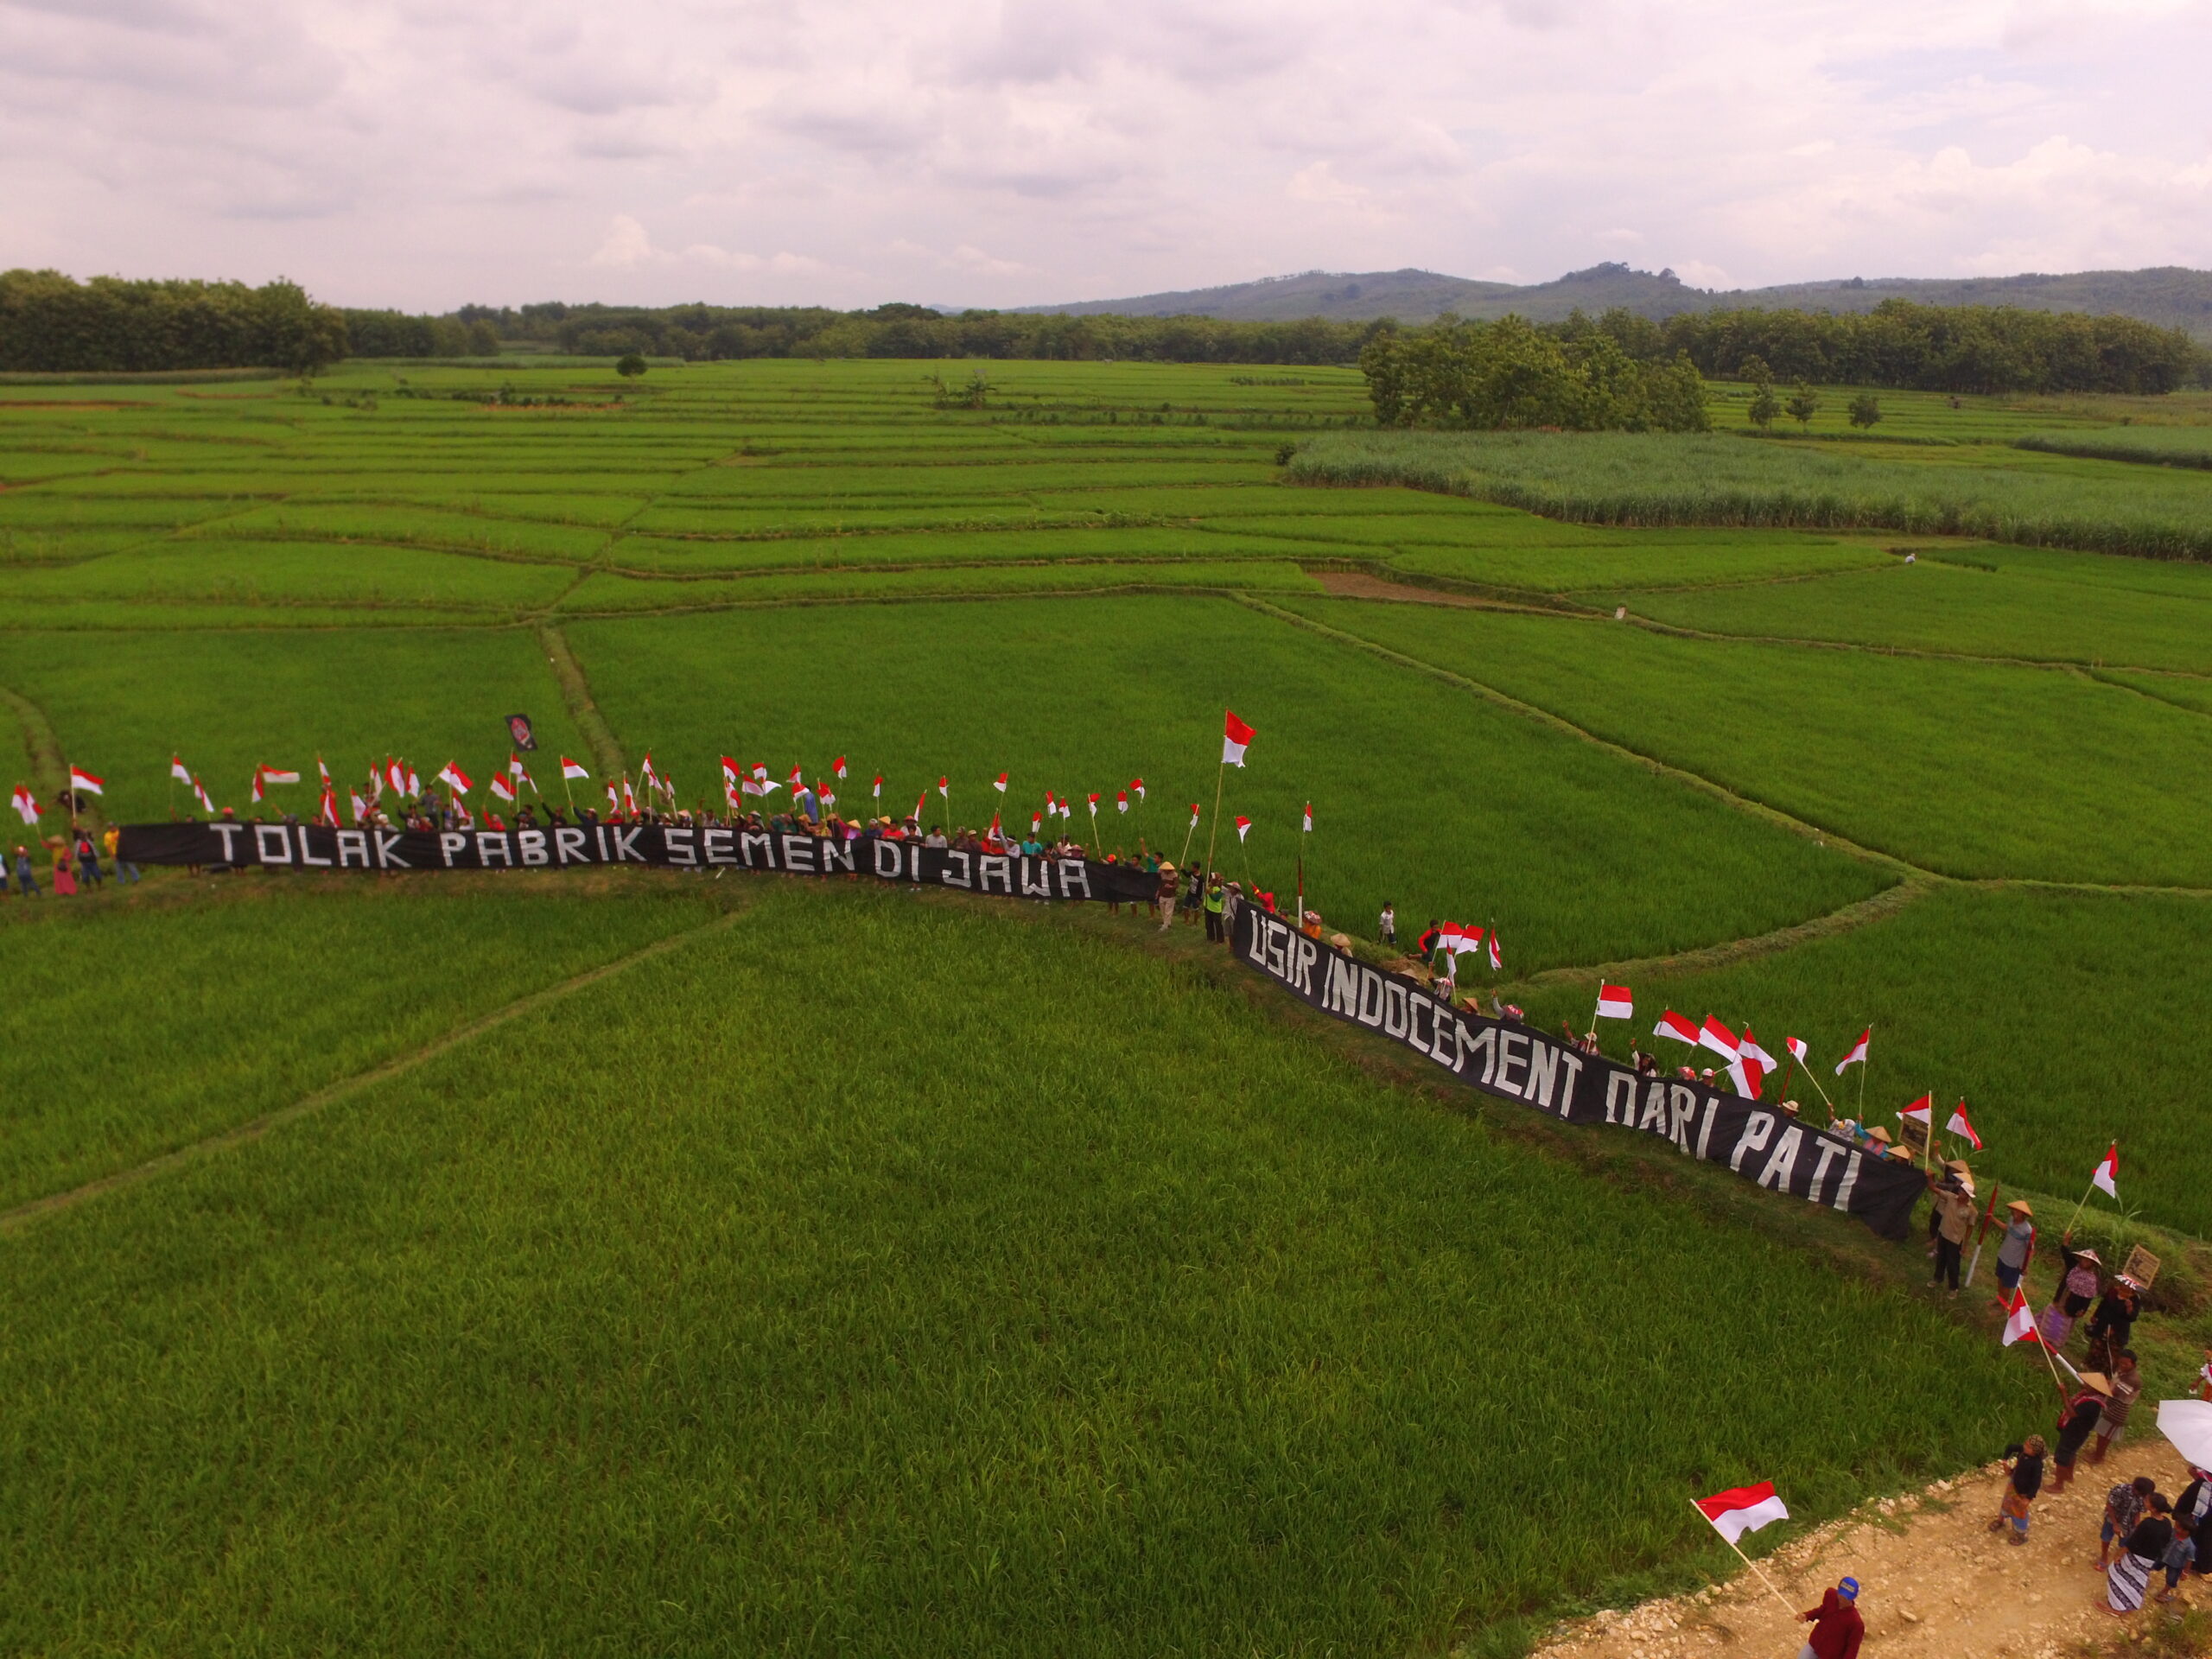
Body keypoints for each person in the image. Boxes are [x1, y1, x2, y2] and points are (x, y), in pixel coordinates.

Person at [2108, 1495, 2174, 1614]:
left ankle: (2116, 1607)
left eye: (2147, 1501)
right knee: (2137, 1581)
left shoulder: (2147, 1523)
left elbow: (2132, 1542)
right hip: (2150, 1559)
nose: (2144, 1501)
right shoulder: (2167, 1523)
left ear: (2153, 1508)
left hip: (2137, 1556)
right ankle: (2131, 1603)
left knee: (2115, 1572)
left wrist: (2119, 1554)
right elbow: (2165, 1542)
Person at [2049, 1375, 2111, 1494]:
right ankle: (2068, 1475)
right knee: (2071, 1452)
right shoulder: (2092, 1398)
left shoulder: (2091, 1404)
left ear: (2095, 1388)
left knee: (2062, 1455)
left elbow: (2072, 1413)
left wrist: (2063, 1394)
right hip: (2079, 1432)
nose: (2084, 1383)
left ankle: (2058, 1485)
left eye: (2088, 1383)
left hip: (2075, 1431)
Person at [2040, 1243, 2101, 1349]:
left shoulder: (2091, 1280)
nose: (2085, 1262)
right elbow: (2066, 1255)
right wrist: (2065, 1244)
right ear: (2080, 1258)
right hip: (2061, 1298)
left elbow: (2088, 1297)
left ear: (2092, 1264)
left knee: (2062, 1325)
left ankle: (2055, 1345)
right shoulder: (2073, 1266)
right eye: (2084, 1259)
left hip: (2072, 1305)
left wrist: (2083, 1309)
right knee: (2052, 1317)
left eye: (2089, 1261)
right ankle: (2044, 1339)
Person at [2090, 1351, 2143, 1464]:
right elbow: (2114, 1384)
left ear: (2133, 1364)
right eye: (2121, 1363)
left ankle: (2099, 1457)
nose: (2122, 1365)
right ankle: (2098, 1453)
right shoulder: (2121, 1372)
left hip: (2118, 1410)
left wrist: (2098, 1384)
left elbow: (2114, 1391)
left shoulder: (2133, 1380)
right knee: (2102, 1432)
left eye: (2125, 1364)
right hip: (2110, 1405)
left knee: (2106, 1435)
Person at [1992, 1436, 2045, 1543]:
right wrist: (2005, 1461)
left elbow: (2036, 1483)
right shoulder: (2023, 1452)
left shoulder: (2037, 1464)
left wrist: (2028, 1498)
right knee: (2006, 1503)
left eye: (2028, 1447)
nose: (2024, 1447)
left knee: (2019, 1512)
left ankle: (2021, 1535)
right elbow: (2011, 1447)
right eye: (2025, 1444)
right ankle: (2001, 1520)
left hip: (2022, 1492)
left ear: (2035, 1451)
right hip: (2013, 1485)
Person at [1796, 1577, 1863, 1659]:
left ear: (1853, 1598)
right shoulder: (1831, 1596)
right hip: (1814, 1645)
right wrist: (1807, 1616)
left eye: (1846, 1597)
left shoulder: (1856, 1623)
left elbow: (1852, 1649)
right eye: (1841, 1594)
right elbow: (1822, 1610)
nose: (1842, 1598)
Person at [2100, 1476, 2158, 1570]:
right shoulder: (2120, 1490)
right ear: (2135, 1489)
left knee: (2125, 1543)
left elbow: (2137, 1511)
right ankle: (2104, 1556)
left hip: (2129, 1523)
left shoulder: (2144, 1497)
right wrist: (2115, 1524)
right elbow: (2110, 1506)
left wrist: (2137, 1525)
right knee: (2106, 1538)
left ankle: (2119, 1559)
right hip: (2112, 1519)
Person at [1931, 1172, 1975, 1294]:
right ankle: (1937, 1278)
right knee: (1941, 1259)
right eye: (1961, 1190)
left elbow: (1970, 1228)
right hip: (1943, 1233)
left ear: (1968, 1195)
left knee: (1953, 1264)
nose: (1961, 1193)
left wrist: (1965, 1245)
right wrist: (1930, 1178)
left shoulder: (1972, 1211)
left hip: (1955, 1240)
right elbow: (1934, 1189)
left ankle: (1953, 1288)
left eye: (1964, 1192)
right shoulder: (1951, 1198)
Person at [2087, 1277, 2141, 1374]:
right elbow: (2103, 1304)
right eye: (2124, 1284)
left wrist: (2129, 1307)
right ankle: (2090, 1369)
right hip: (2103, 1324)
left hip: (2118, 1331)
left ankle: (2105, 1375)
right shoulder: (2113, 1291)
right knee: (2096, 1348)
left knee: (2111, 1355)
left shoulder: (2134, 1299)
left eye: (2128, 1286)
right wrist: (2096, 1315)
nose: (2125, 1287)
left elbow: (2132, 1317)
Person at [1994, 1200, 2036, 1299]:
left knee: (2006, 1285)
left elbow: (2030, 1250)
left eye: (2018, 1211)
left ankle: (2003, 1304)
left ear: (2023, 1214)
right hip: (2003, 1256)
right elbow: (2006, 1227)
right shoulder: (2011, 1220)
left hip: (2014, 1263)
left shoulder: (2027, 1230)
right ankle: (1999, 1299)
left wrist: (2025, 1266)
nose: (2015, 1213)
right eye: (2014, 1210)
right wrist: (1992, 1219)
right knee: (2000, 1280)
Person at [2157, 1517, 2196, 1604]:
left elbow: (2189, 1560)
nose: (2176, 1528)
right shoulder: (2173, 1532)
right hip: (2163, 1556)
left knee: (2171, 1579)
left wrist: (2185, 1572)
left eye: (2179, 1527)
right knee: (2153, 1566)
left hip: (2175, 1565)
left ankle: (2165, 1592)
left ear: (2186, 1532)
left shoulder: (2190, 1546)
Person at [1155, 861, 1179, 931]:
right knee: (1162, 910)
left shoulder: (1175, 875)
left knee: (1168, 911)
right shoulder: (1162, 874)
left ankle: (1165, 925)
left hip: (1170, 896)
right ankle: (1166, 922)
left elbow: (1176, 885)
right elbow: (1161, 884)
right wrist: (1158, 892)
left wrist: (1170, 886)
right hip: (1162, 894)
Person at [1203, 877, 1226, 943]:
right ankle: (1210, 938)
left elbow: (1216, 898)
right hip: (1208, 907)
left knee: (1218, 925)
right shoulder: (1209, 886)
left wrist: (1210, 893)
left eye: (1213, 880)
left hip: (1216, 910)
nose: (1211, 881)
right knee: (1208, 924)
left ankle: (1220, 940)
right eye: (1211, 880)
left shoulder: (1221, 890)